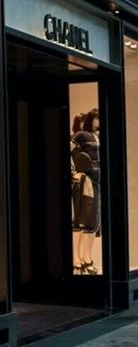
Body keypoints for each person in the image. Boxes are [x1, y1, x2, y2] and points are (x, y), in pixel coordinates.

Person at [70, 108, 100, 275]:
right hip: (86, 181)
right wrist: (74, 172)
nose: (98, 121)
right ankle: (78, 259)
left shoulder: (97, 136)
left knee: (94, 222)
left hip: (98, 180)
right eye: (96, 118)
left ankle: (86, 259)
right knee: (83, 219)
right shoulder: (81, 135)